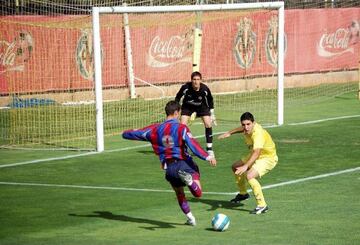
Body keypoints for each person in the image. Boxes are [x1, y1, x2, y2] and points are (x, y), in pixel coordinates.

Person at [122, 100, 217, 225]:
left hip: (170, 168)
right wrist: (207, 156)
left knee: (179, 193)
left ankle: (190, 218)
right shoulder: (181, 128)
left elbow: (132, 134)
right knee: (198, 192)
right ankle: (189, 181)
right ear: (177, 113)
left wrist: (125, 133)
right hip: (185, 163)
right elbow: (193, 144)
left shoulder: (154, 129)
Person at [218, 112, 278, 214]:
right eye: (243, 124)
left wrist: (246, 166)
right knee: (235, 167)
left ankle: (262, 205)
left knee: (249, 175)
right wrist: (229, 132)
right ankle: (243, 194)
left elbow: (256, 152)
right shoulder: (247, 128)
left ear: (253, 123)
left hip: (268, 158)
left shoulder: (258, 133)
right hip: (257, 155)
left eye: (248, 124)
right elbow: (241, 129)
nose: (245, 127)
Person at [175, 71, 216, 157]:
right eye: (194, 79)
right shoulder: (185, 87)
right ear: (191, 80)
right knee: (182, 126)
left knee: (208, 124)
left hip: (202, 107)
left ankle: (209, 149)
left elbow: (210, 100)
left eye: (198, 79)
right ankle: (183, 148)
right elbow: (178, 97)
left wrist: (212, 113)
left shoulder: (204, 89)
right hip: (187, 107)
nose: (196, 81)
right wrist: (176, 110)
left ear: (200, 80)